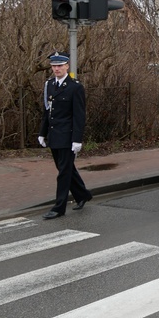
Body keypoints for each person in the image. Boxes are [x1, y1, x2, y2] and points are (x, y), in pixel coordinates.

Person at [38, 52, 93, 220]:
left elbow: (79, 116)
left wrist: (77, 139)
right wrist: (42, 132)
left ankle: (59, 207)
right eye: (54, 66)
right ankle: (82, 194)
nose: (56, 69)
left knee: (63, 172)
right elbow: (47, 112)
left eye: (60, 66)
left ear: (67, 66)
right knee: (67, 169)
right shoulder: (50, 85)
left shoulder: (75, 87)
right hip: (55, 135)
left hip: (68, 137)